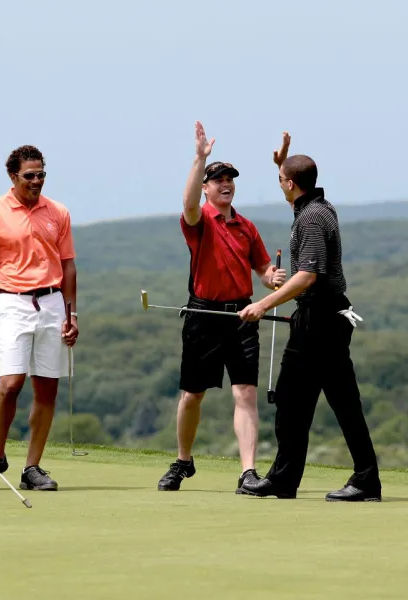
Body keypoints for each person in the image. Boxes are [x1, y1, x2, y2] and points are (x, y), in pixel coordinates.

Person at [237, 133, 382, 501]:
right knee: (338, 401)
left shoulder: (313, 218)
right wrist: (281, 166)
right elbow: (295, 190)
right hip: (327, 319)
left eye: (282, 181)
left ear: (290, 184)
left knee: (291, 400)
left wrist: (263, 304)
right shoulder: (317, 206)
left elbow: (307, 275)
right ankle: (363, 479)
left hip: (319, 321)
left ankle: (287, 480)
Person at [157, 121, 286, 493]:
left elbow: (261, 268)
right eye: (218, 179)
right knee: (192, 394)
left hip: (243, 314)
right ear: (207, 187)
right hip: (203, 314)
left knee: (245, 393)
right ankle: (183, 460)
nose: (225, 183)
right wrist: (200, 160)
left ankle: (248, 472)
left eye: (229, 178)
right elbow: (187, 203)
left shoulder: (246, 226)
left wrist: (271, 277)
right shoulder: (199, 220)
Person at [0, 144, 79, 492]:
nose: (37, 181)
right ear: (13, 176)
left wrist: (72, 312)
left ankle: (32, 467)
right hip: (11, 303)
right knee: (11, 383)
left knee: (47, 387)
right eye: (29, 175)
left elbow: (68, 265)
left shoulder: (58, 212)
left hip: (52, 303)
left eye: (41, 174)